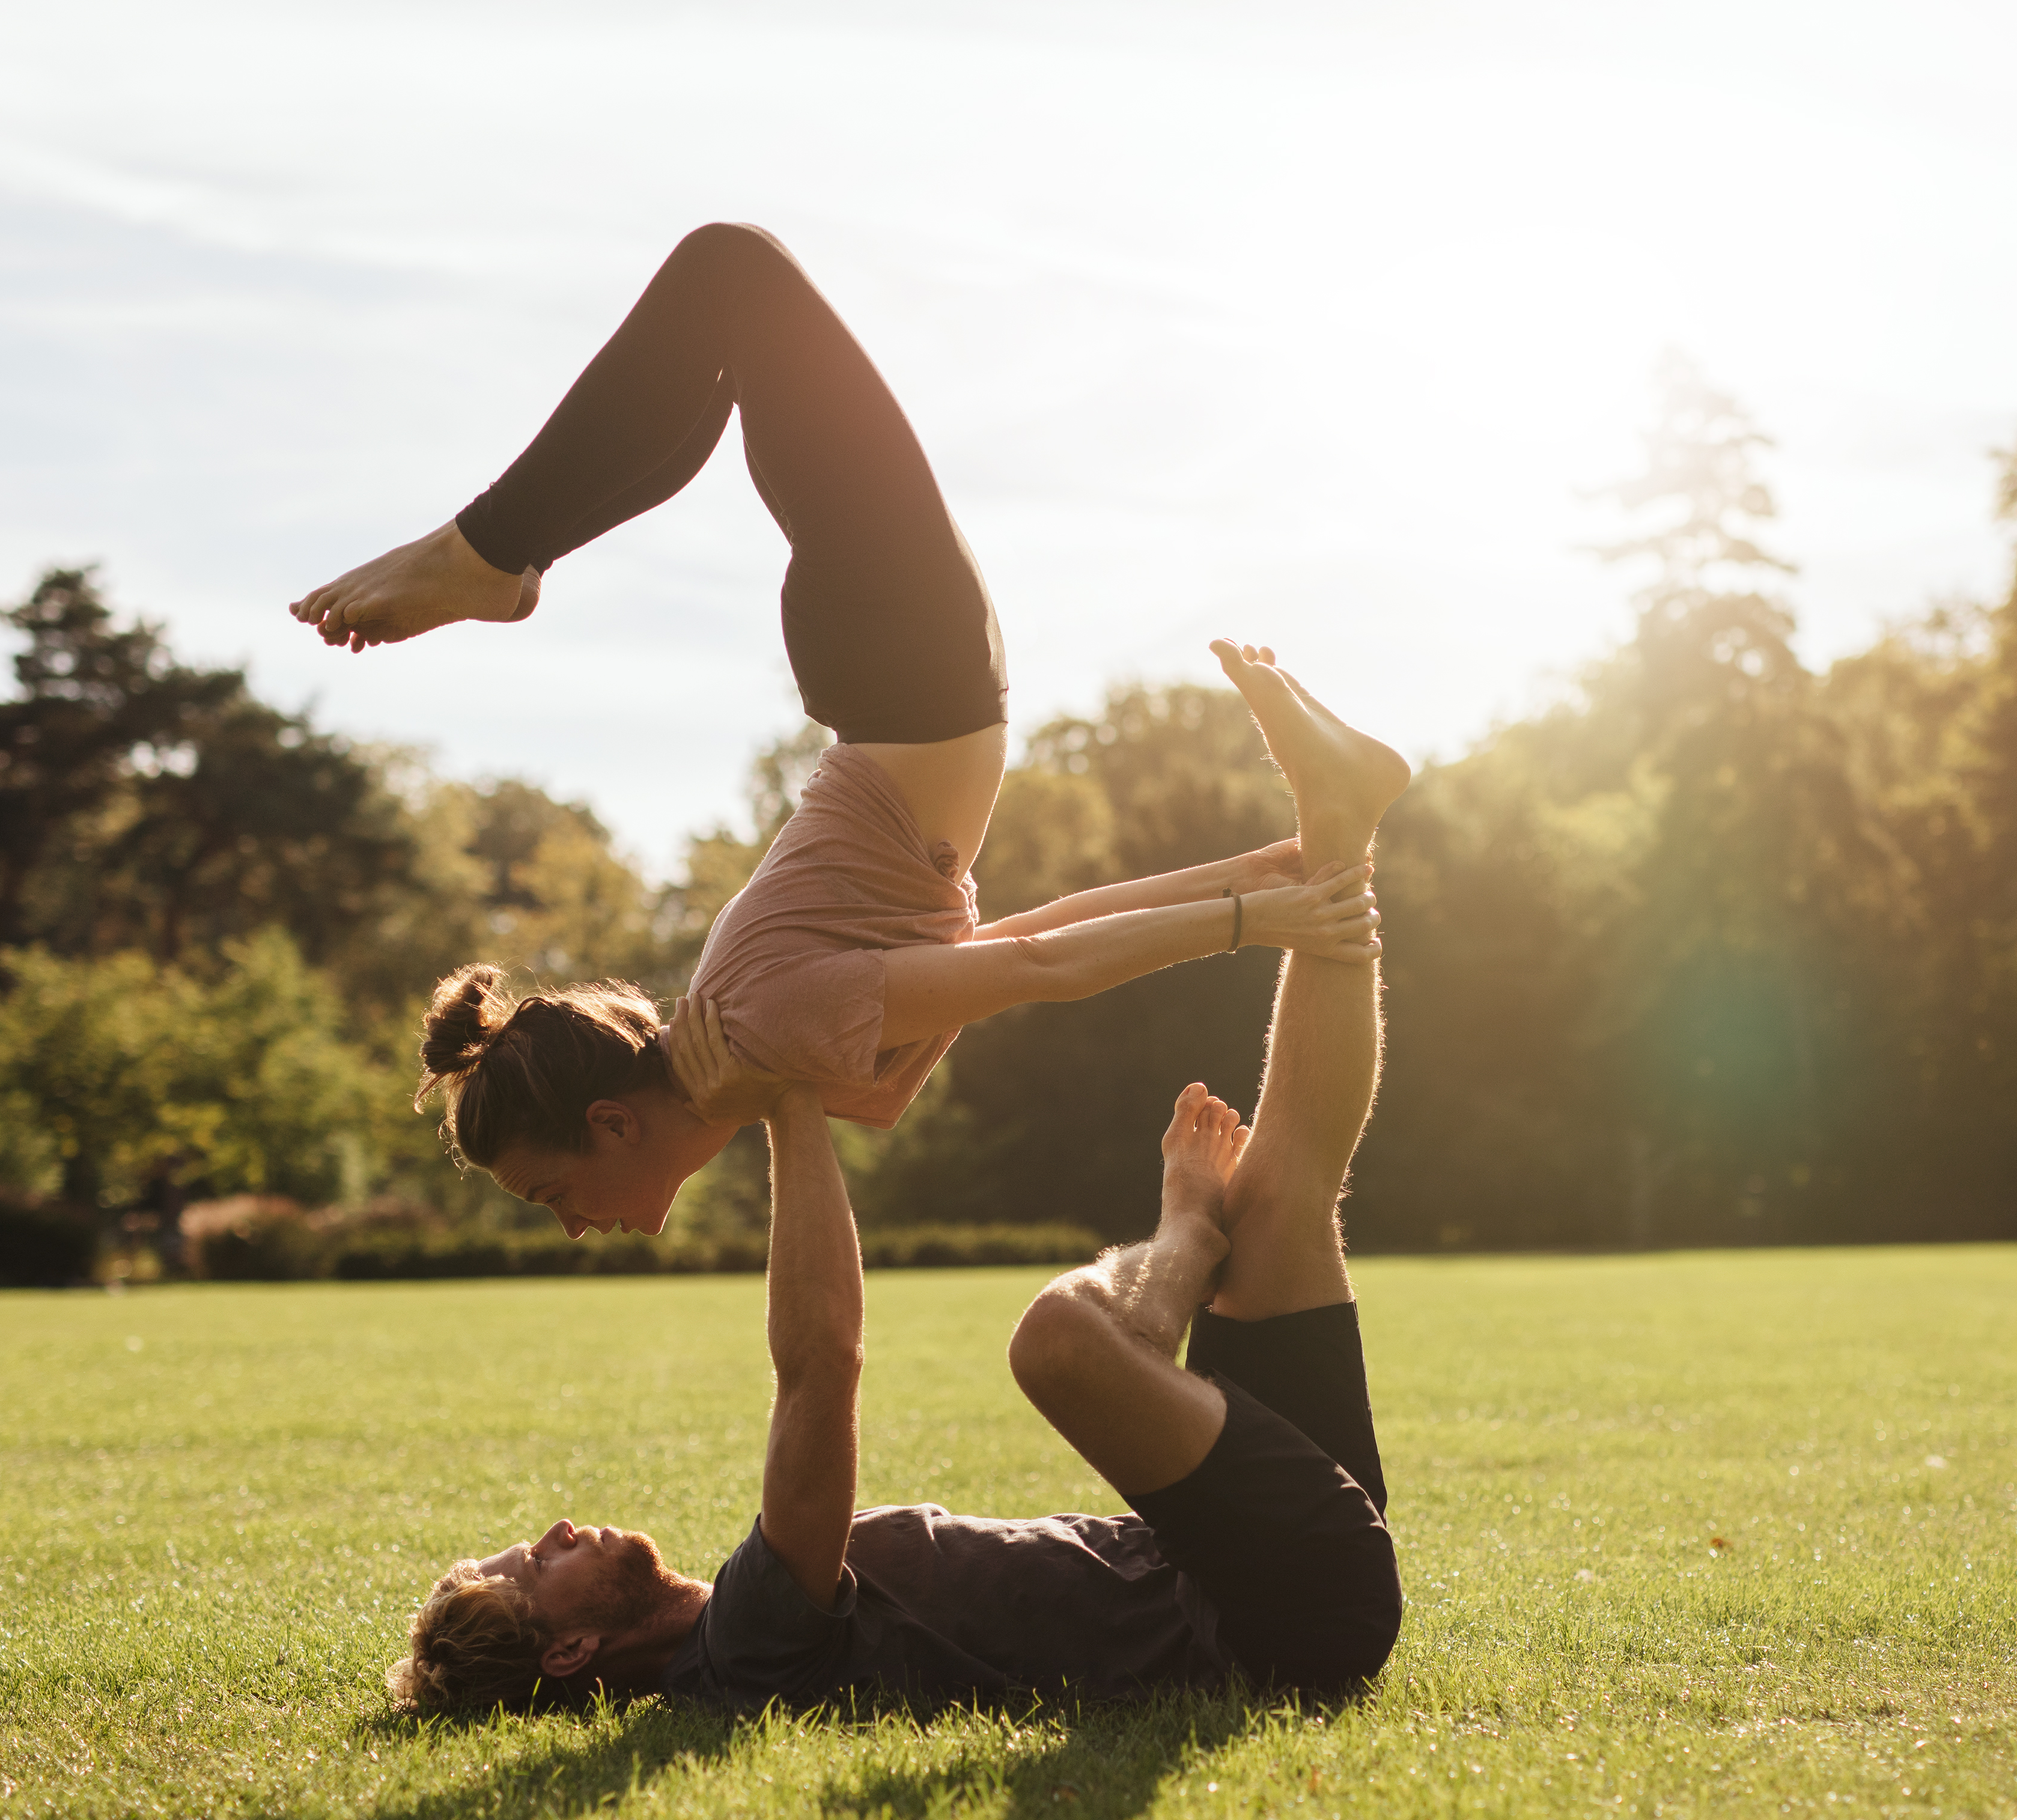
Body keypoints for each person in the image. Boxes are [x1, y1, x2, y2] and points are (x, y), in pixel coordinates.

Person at [293, 222, 1406, 1218]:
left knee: (732, 280)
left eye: (552, 1192)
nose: (570, 1222)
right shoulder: (769, 1066)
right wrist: (1255, 875)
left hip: (905, 667)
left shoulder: (764, 1032)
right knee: (728, 327)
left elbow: (1046, 970)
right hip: (911, 673)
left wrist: (1248, 923)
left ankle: (490, 554)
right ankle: (499, 558)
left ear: (613, 1124)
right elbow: (1017, 943)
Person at [385, 761, 1402, 1713]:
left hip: (1258, 1542)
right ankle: (1186, 1234)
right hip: (1270, 1618)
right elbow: (819, 1364)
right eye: (536, 1566)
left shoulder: (753, 1620)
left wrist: (1263, 873)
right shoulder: (743, 1646)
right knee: (1055, 1340)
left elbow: (1015, 947)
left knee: (1284, 1193)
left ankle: (1341, 824)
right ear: (568, 1652)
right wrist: (787, 1095)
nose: (555, 1530)